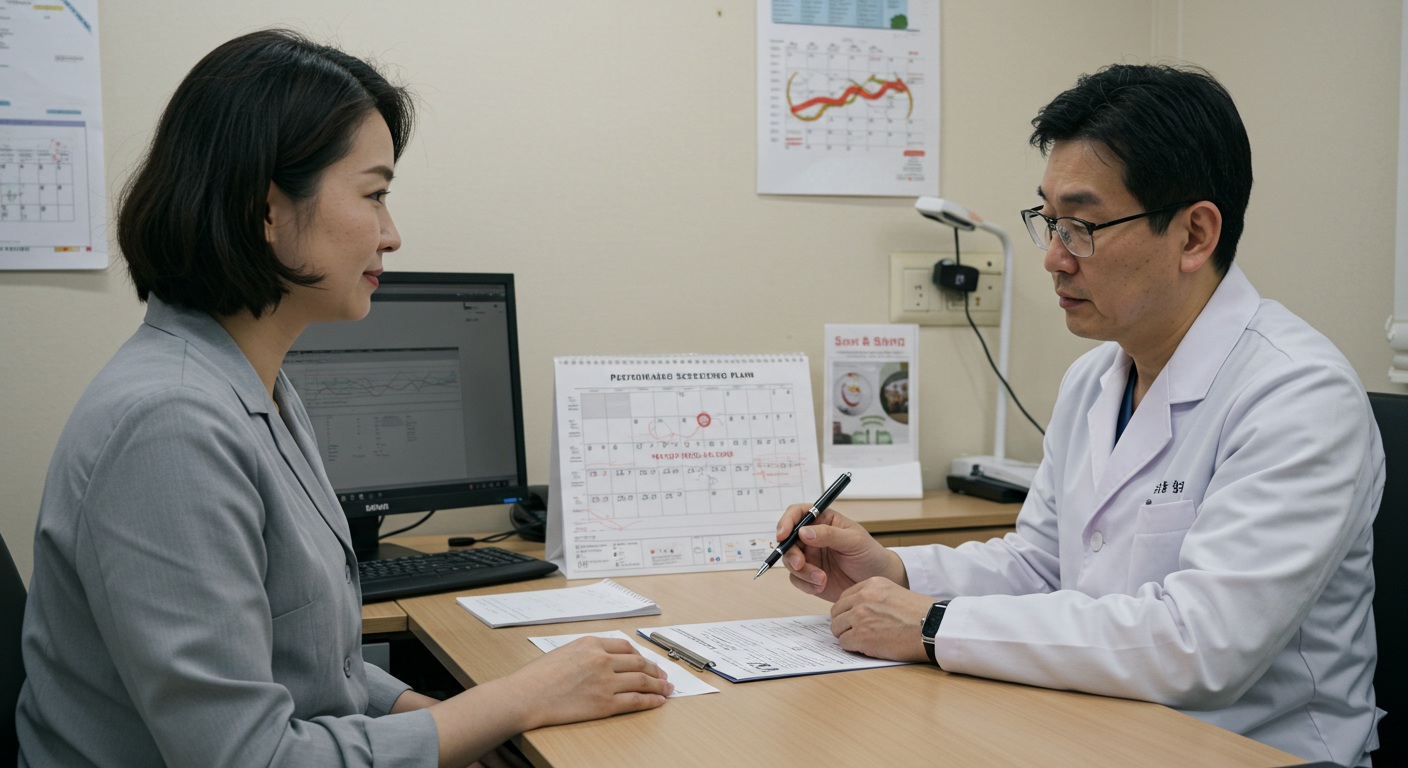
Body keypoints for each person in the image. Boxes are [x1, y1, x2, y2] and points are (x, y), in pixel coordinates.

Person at [16, 29, 671, 768]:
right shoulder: (169, 426)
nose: (392, 234)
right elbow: (248, 758)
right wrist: (512, 700)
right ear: (266, 209)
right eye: (375, 194)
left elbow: (313, 668)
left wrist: (447, 720)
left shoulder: (251, 384)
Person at [775, 64, 1383, 766]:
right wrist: (897, 573)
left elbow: (1202, 645)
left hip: (1248, 749)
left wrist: (936, 624)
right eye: (1049, 222)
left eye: (1084, 227)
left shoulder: (1297, 394)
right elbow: (1041, 565)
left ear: (1194, 235)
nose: (1054, 260)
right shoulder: (1096, 375)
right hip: (1100, 730)